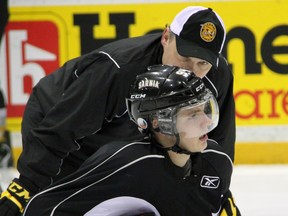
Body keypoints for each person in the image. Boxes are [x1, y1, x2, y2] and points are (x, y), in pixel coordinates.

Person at [0, 6, 237, 215]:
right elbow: (62, 126)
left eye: (202, 63)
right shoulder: (120, 68)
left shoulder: (216, 76)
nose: (191, 71)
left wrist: (220, 190)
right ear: (166, 37)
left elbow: (216, 138)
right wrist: (27, 186)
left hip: (122, 133)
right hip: (59, 118)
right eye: (184, 57)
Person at [22, 65, 238, 216]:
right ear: (158, 123)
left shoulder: (217, 160)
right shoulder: (127, 164)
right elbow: (41, 207)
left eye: (205, 110)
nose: (206, 121)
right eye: (192, 114)